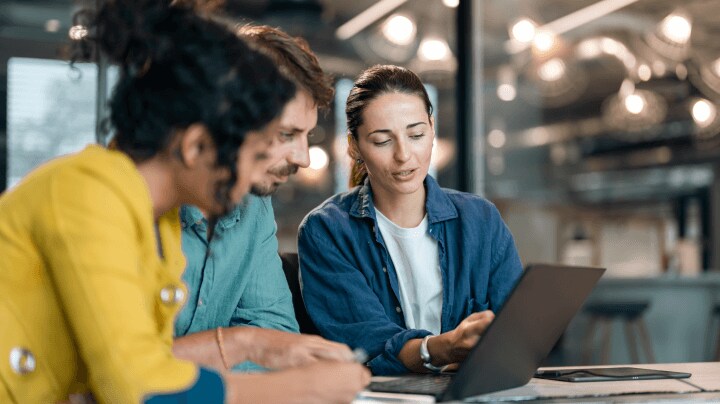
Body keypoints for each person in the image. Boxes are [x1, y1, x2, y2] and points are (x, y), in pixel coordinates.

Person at [0, 1, 368, 403]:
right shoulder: (87, 194)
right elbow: (143, 391)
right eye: (250, 154)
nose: (251, 174)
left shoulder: (160, 227)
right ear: (194, 146)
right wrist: (303, 388)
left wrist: (257, 344)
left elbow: (154, 362)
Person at [298, 64, 524, 375]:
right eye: (381, 141)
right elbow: (366, 343)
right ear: (355, 146)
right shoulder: (327, 230)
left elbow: (516, 332)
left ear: (432, 130)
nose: (404, 155)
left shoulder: (480, 220)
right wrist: (442, 349)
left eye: (416, 134)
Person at [173, 24, 350, 371]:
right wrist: (243, 344)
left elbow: (278, 334)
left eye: (307, 135)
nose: (304, 158)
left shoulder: (253, 208)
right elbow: (127, 374)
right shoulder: (127, 206)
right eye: (287, 133)